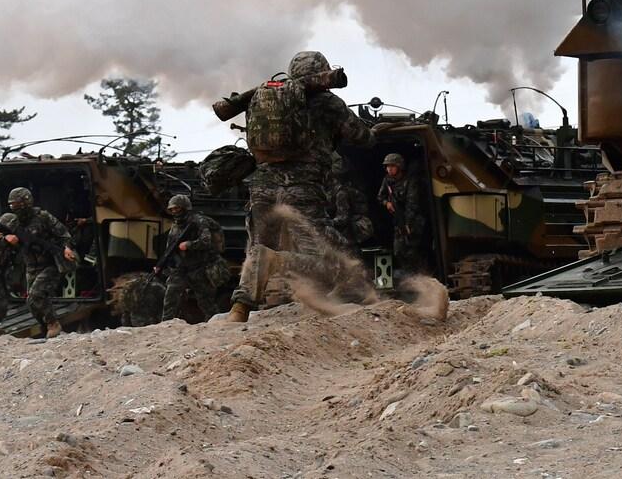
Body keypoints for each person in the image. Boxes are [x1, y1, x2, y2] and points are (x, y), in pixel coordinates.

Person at [229, 51, 380, 321]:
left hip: (262, 186)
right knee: (320, 254)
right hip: (302, 187)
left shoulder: (262, 98)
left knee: (258, 246)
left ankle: (240, 309)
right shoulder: (327, 103)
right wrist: (373, 132)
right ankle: (280, 263)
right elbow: (361, 136)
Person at [6, 187, 76, 339]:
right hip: (31, 266)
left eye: (17, 204)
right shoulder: (14, 223)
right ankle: (46, 328)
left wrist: (67, 248)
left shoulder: (43, 217)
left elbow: (63, 234)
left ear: (26, 202)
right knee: (31, 303)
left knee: (36, 295)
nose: (15, 208)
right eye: (12, 205)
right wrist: (8, 241)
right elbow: (1, 241)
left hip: (49, 264)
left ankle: (53, 324)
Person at [157, 194, 228, 321]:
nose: (174, 212)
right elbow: (170, 248)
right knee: (170, 296)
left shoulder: (199, 221)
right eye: (172, 209)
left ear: (184, 208)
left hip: (198, 268)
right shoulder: (175, 225)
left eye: (177, 209)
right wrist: (161, 265)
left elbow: (206, 241)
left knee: (206, 302)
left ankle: (216, 325)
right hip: (181, 268)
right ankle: (165, 324)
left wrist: (189, 245)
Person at [378, 153, 426, 276]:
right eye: (387, 166)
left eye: (392, 166)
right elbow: (380, 196)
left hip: (413, 220)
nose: (389, 169)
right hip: (398, 221)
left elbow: (412, 204)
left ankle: (421, 276)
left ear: (399, 166)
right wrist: (386, 203)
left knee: (413, 251)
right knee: (399, 251)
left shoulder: (410, 181)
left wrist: (408, 224)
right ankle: (409, 275)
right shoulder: (387, 181)